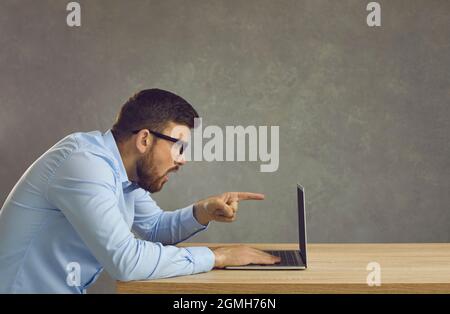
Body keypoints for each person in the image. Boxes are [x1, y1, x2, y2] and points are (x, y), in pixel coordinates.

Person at [0, 89, 280, 293]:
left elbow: (156, 228)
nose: (183, 160)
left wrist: (202, 212)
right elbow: (126, 261)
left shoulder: (124, 174)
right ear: (145, 139)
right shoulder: (85, 164)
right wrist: (218, 257)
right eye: (179, 147)